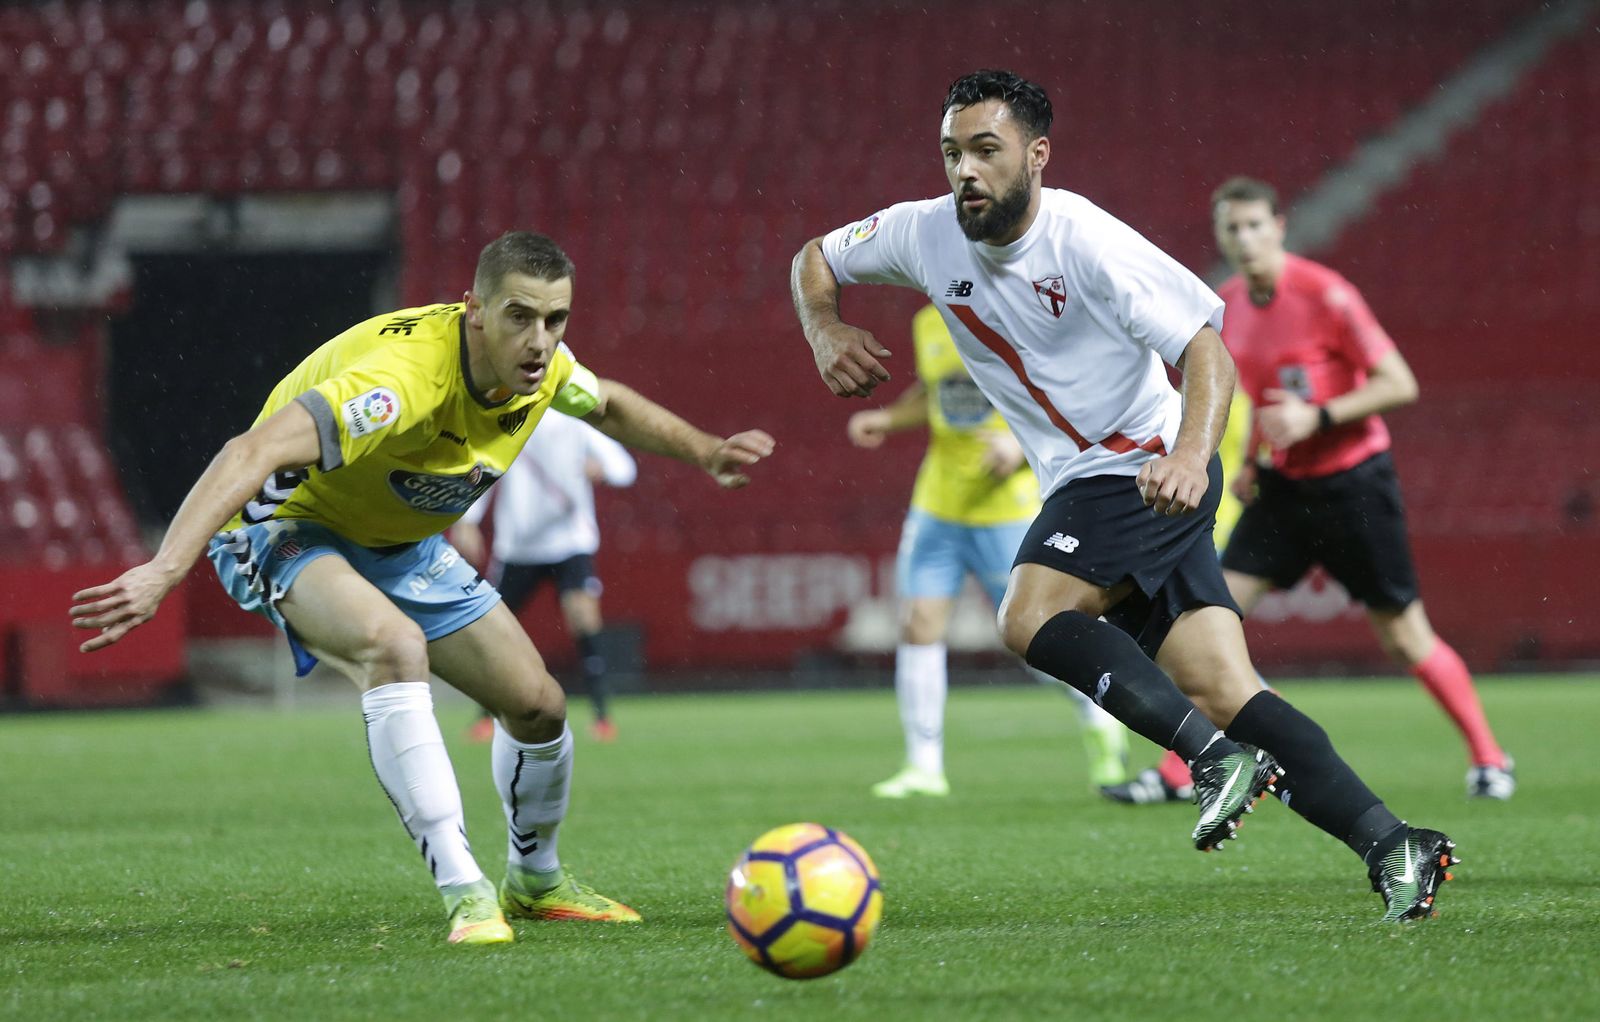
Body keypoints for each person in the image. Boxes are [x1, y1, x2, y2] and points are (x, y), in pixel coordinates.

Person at [790, 69, 1456, 921]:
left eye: (986, 150)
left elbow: (1206, 350)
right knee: (1224, 687)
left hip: (1139, 467)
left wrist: (1190, 455)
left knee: (1026, 616)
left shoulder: (1089, 242)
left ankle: (1211, 760)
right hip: (1099, 477)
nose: (965, 171)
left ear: (1037, 155)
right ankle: (1394, 842)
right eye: (952, 152)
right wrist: (825, 327)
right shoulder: (924, 234)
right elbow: (815, 258)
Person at [69, 232, 775, 945]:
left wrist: (706, 451)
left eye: (555, 319)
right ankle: (465, 891)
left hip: (400, 544)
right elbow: (249, 450)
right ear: (476, 311)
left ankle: (536, 882)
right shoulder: (401, 382)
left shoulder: (545, 370)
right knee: (393, 645)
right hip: (284, 528)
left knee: (538, 706)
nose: (539, 341)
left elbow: (608, 404)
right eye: (520, 317)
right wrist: (164, 569)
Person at [1210, 175, 1514, 799]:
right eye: (1231, 227)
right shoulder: (1226, 303)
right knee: (1209, 618)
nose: (1244, 238)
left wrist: (1318, 417)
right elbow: (1260, 395)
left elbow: (1400, 383)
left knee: (1404, 637)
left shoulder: (1327, 295)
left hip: (1354, 486)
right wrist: (1249, 460)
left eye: (1254, 225)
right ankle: (1180, 769)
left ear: (1279, 227)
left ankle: (1490, 758)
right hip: (1282, 487)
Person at [849, 303, 1132, 799]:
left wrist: (1018, 449)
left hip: (1007, 510)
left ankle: (1101, 721)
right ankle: (923, 766)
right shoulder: (927, 321)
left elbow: (1065, 398)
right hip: (938, 505)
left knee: (1040, 637)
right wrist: (888, 419)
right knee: (918, 624)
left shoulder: (1015, 312)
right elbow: (938, 393)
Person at [454, 410, 637, 744]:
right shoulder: (509, 419)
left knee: (584, 622)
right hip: (518, 548)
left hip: (570, 542)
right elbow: (486, 470)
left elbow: (624, 467)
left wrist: (601, 469)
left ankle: (601, 717)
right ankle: (485, 717)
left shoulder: (573, 418)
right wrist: (467, 520)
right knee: (495, 628)